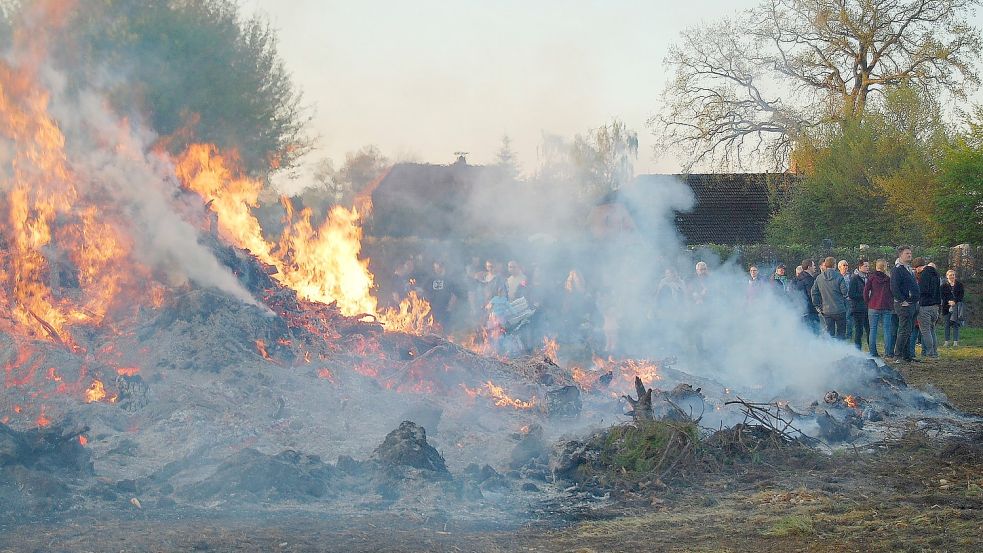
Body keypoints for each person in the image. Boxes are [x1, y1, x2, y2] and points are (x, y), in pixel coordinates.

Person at [890, 246, 920, 363]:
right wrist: (902, 300)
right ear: (900, 255)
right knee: (903, 330)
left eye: (910, 253)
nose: (909, 255)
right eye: (907, 253)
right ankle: (897, 356)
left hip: (912, 303)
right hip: (903, 304)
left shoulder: (908, 269)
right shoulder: (897, 269)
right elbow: (894, 287)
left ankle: (907, 356)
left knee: (909, 330)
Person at [811, 257, 849, 339]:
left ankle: (830, 351)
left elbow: (814, 292)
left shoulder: (819, 278)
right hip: (839, 309)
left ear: (825, 265)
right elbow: (845, 292)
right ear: (834, 265)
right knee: (841, 333)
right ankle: (840, 350)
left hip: (826, 310)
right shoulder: (839, 276)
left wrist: (818, 305)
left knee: (829, 334)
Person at [864, 259, 895, 358]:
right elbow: (893, 291)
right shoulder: (889, 279)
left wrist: (868, 301)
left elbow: (865, 291)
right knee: (887, 330)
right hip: (887, 306)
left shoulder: (872, 278)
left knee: (873, 329)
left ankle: (873, 352)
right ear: (885, 267)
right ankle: (888, 352)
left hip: (873, 305)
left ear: (876, 267)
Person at [914, 258, 941, 359]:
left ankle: (930, 353)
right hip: (935, 306)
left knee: (925, 331)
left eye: (915, 269)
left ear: (918, 267)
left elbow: (923, 290)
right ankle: (935, 351)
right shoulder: (936, 273)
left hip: (925, 306)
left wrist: (916, 293)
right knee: (932, 330)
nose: (916, 271)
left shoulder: (924, 275)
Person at [425, 260, 460, 332]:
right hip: (434, 310)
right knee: (433, 331)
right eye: (435, 268)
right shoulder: (431, 279)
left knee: (445, 331)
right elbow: (426, 292)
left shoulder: (449, 279)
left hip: (445, 310)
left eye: (438, 268)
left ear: (442, 267)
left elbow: (454, 295)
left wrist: (450, 307)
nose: (436, 270)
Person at [848, 259, 870, 351]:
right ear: (860, 267)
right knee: (859, 331)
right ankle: (858, 350)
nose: (867, 268)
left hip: (868, 308)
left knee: (870, 330)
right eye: (865, 266)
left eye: (868, 266)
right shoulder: (854, 279)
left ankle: (872, 350)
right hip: (858, 309)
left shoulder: (868, 278)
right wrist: (865, 296)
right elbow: (851, 294)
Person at [793, 259, 820, 333]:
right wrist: (818, 306)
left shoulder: (798, 279)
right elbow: (812, 295)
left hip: (802, 310)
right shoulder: (809, 280)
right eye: (813, 265)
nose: (815, 267)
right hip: (810, 311)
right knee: (815, 333)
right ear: (809, 267)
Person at [941, 269, 965, 347]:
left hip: (957, 307)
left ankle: (955, 341)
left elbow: (961, 296)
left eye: (953, 275)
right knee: (947, 324)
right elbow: (942, 296)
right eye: (950, 275)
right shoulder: (943, 286)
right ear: (947, 276)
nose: (952, 276)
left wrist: (954, 301)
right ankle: (947, 341)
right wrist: (949, 301)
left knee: (955, 324)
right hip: (946, 307)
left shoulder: (959, 285)